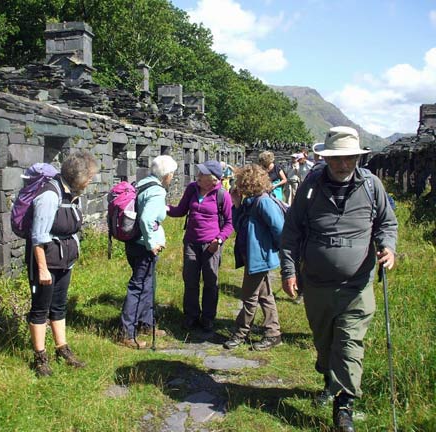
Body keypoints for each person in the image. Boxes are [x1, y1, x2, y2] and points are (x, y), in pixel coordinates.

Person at [279, 126, 398, 431]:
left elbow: (387, 222)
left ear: (358, 157)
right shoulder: (310, 186)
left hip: (357, 286)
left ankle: (343, 407)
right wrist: (289, 271)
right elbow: (291, 231)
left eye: (350, 158)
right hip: (316, 283)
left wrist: (388, 247)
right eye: (337, 159)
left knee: (349, 343)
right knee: (325, 344)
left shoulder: (372, 186)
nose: (344, 165)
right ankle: (328, 379)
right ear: (326, 158)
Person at [27, 150, 98, 377]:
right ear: (77, 176)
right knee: (41, 309)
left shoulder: (71, 194)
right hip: (45, 262)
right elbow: (38, 236)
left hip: (64, 262)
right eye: (89, 177)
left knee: (58, 306)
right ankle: (40, 358)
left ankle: (62, 348)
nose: (90, 181)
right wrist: (42, 269)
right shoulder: (50, 196)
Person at [223, 164, 284, 351]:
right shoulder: (250, 202)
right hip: (253, 256)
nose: (237, 184)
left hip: (259, 258)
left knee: (249, 297)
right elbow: (238, 225)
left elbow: (280, 228)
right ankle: (273, 333)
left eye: (240, 181)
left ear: (248, 182)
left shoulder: (263, 202)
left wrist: (275, 250)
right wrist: (236, 204)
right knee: (265, 296)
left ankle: (240, 333)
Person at [167, 160, 234, 332]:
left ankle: (208, 318)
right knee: (190, 280)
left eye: (202, 174)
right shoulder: (192, 188)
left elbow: (230, 222)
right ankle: (191, 316)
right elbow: (181, 210)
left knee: (211, 282)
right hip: (191, 242)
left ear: (213, 179)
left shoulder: (222, 195)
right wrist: (162, 208)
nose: (198, 176)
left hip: (211, 245)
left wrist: (219, 240)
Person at [120, 155, 178, 349]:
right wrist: (152, 243)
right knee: (138, 285)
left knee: (147, 284)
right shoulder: (157, 191)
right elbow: (146, 218)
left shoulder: (142, 184)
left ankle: (146, 323)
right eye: (172, 174)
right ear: (167, 175)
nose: (172, 177)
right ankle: (127, 333)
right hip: (144, 245)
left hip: (133, 242)